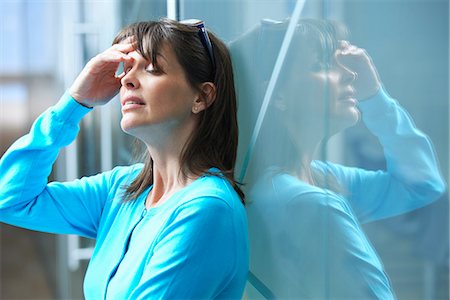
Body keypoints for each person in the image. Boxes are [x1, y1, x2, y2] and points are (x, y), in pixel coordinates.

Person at [0, 18, 249, 299]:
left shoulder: (205, 209)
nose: (128, 79)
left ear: (202, 97)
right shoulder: (123, 188)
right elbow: (10, 199)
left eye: (153, 69)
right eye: (127, 68)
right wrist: (75, 101)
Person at [230, 19, 446, 299]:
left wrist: (375, 96)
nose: (351, 76)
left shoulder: (309, 179)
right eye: (321, 65)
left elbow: (422, 185)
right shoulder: (310, 203)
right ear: (277, 93)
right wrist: (374, 99)